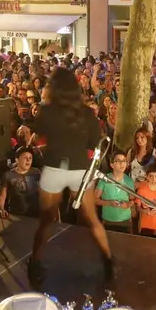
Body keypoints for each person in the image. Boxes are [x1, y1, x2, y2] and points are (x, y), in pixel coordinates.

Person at [30, 67, 112, 281]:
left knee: (47, 220)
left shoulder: (47, 111)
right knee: (92, 219)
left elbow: (38, 133)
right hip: (79, 168)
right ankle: (108, 262)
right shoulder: (86, 113)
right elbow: (93, 142)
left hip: (55, 167)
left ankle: (35, 263)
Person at [0, 146, 41, 219]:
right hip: (16, 215)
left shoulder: (36, 172)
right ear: (17, 159)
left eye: (30, 158)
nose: (28, 160)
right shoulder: (8, 175)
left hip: (35, 216)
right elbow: (1, 196)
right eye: (25, 157)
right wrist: (1, 209)